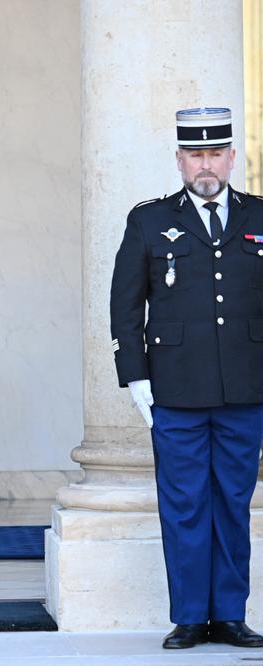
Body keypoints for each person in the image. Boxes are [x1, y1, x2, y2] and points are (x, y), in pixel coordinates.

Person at [111, 107, 263, 649]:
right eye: (195, 155)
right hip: (174, 389)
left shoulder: (258, 216)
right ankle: (190, 616)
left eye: (214, 154)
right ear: (179, 161)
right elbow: (125, 306)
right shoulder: (149, 221)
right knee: (184, 504)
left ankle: (229, 614)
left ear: (230, 158)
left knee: (232, 502)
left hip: (245, 389)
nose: (206, 165)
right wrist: (135, 378)